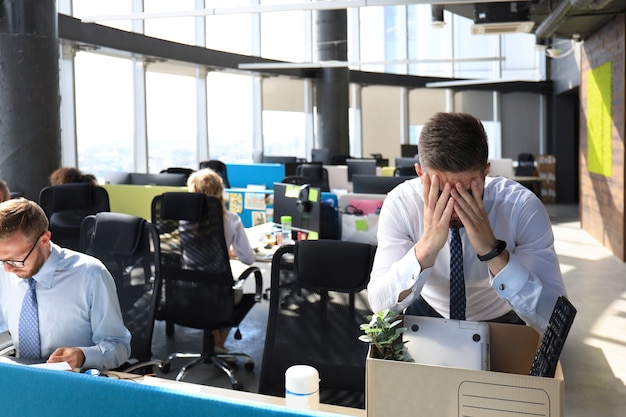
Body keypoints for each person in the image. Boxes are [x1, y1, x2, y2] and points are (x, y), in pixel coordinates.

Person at [368, 112, 566, 333]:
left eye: (468, 190)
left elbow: (554, 319)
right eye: (440, 191)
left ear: (486, 173)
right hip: (427, 309)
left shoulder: (521, 207)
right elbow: (379, 306)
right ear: (420, 174)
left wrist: (493, 253)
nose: (454, 206)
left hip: (503, 315)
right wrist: (425, 248)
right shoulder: (401, 204)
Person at [0, 198, 131, 370]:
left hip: (75, 380)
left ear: (44, 240)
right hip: (21, 377)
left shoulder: (90, 276)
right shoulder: (4, 270)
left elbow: (119, 346)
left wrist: (83, 356)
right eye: (2, 259)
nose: (8, 269)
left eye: (16, 260)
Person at [183, 168, 255, 353]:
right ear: (219, 192)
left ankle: (216, 342)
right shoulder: (231, 221)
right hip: (219, 293)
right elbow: (248, 258)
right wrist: (228, 250)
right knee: (234, 291)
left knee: (208, 288)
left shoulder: (182, 221)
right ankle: (219, 343)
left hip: (185, 290)